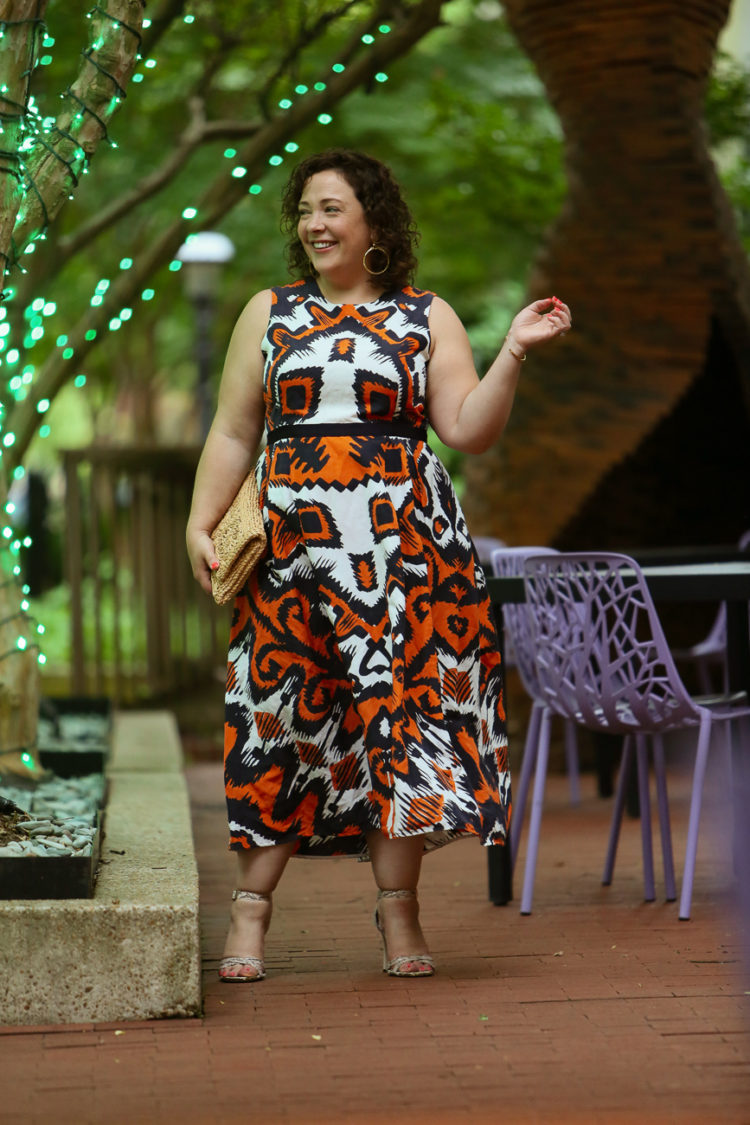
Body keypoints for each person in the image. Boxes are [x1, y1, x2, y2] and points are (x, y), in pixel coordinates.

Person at [186, 148, 571, 982]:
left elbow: (466, 428)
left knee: (392, 723)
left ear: (374, 224)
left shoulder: (424, 316)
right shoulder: (270, 312)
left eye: (332, 209)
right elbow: (231, 431)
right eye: (306, 210)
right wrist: (201, 518)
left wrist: (513, 350)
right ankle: (250, 914)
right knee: (278, 716)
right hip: (289, 557)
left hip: (406, 555)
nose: (315, 225)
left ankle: (400, 913)